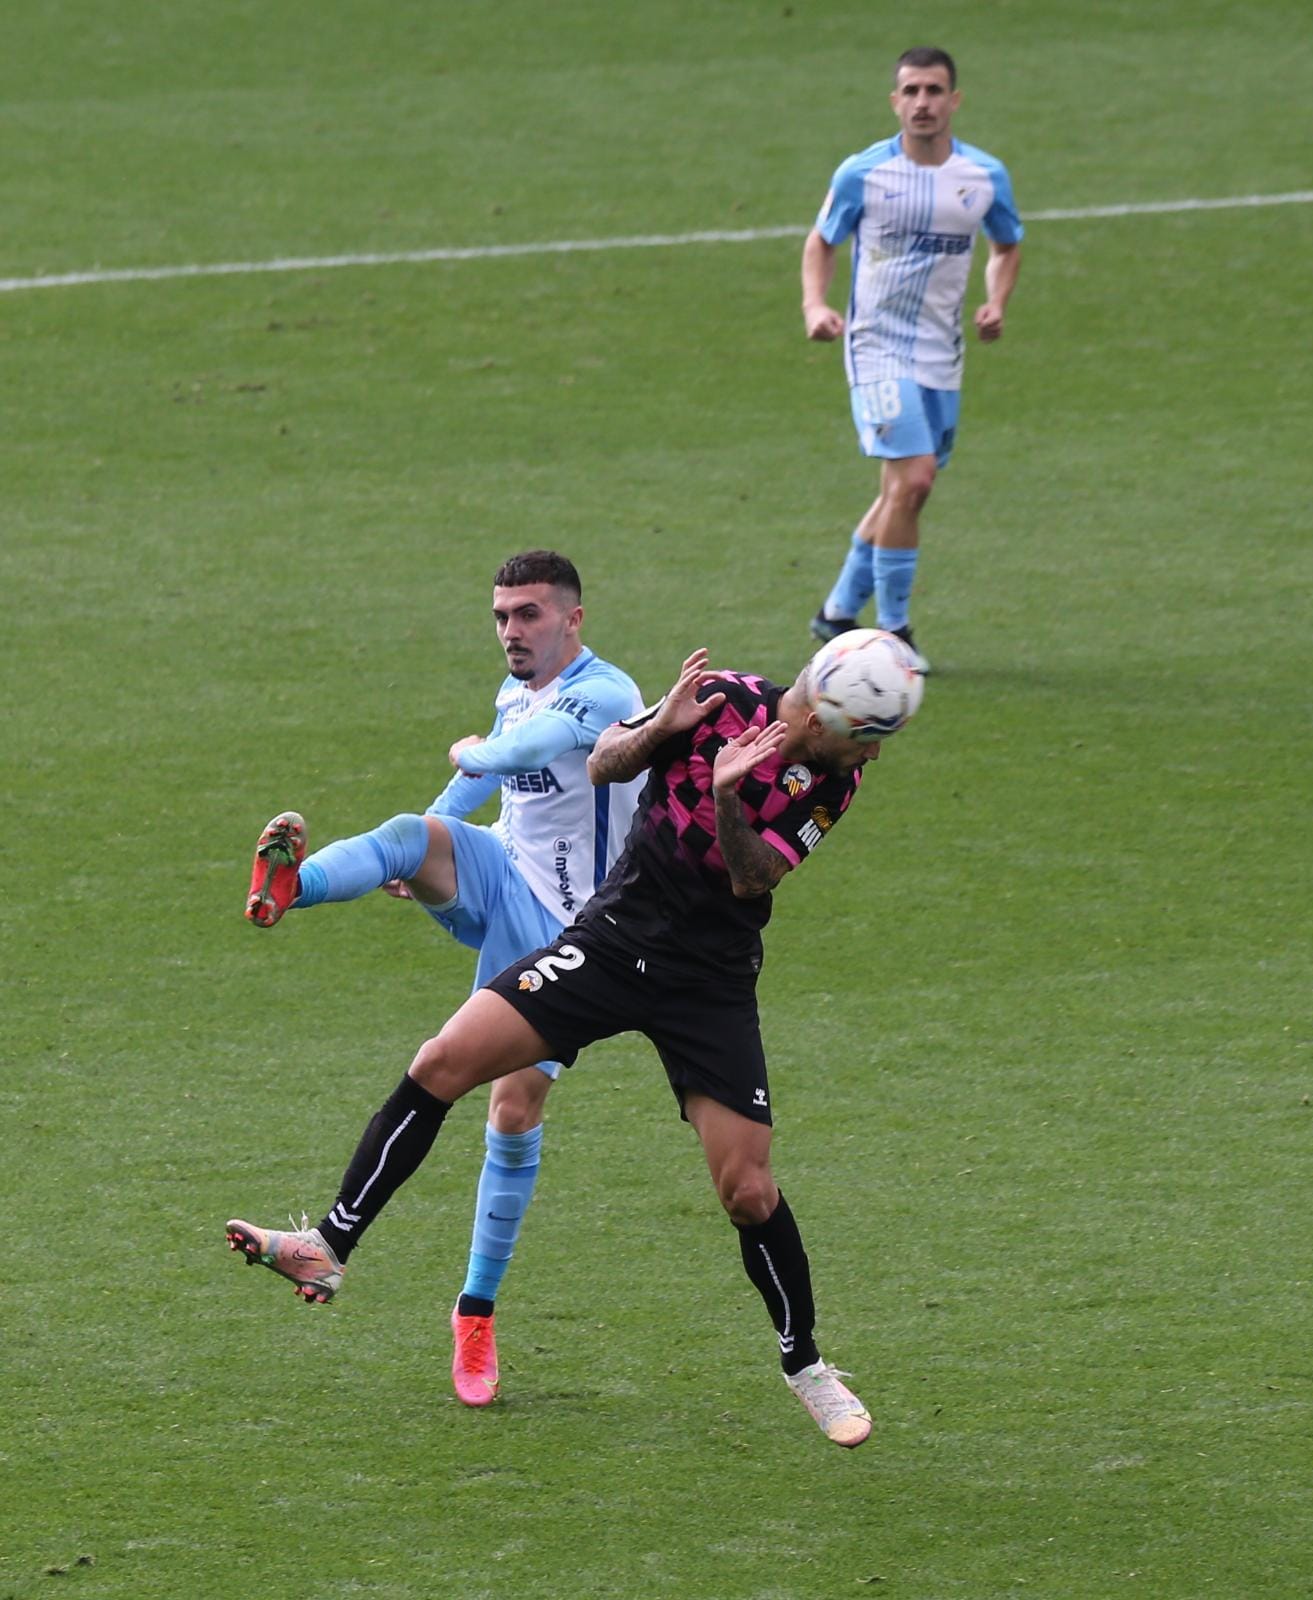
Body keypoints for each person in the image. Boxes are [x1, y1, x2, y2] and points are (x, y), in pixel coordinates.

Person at [227, 639, 920, 1449]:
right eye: (866, 735)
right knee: (442, 1062)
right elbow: (605, 767)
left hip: (708, 983)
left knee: (748, 1191)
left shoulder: (835, 780)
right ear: (826, 712)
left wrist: (730, 795)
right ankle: (327, 1245)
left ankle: (805, 1365)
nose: (872, 753)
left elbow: (752, 879)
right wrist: (662, 723)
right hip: (609, 941)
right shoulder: (723, 696)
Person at [241, 549, 644, 1407]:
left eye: (528, 614)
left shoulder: (605, 694)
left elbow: (524, 747)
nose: (511, 631)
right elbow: (485, 772)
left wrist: (481, 746)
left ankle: (474, 1313)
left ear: (573, 618)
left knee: (511, 1106)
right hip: (501, 874)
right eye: (501, 616)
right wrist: (442, 819)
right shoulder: (515, 692)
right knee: (406, 833)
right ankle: (290, 888)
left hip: (570, 938)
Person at [802, 45, 1024, 672]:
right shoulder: (863, 174)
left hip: (941, 353)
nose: (922, 102)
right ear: (895, 101)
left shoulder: (983, 177)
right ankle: (894, 631)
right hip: (875, 346)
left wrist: (995, 300)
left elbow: (1007, 245)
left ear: (954, 101)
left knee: (904, 492)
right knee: (916, 477)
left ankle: (836, 613)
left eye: (934, 91)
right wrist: (814, 306)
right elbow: (821, 242)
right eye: (911, 91)